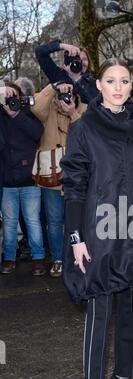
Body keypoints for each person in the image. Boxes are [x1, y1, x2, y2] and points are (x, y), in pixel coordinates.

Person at [60, 58, 133, 379]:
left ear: (132, 85)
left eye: (124, 81)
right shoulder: (85, 129)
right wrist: (74, 239)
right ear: (98, 85)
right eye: (110, 81)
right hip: (98, 237)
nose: (118, 87)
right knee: (99, 320)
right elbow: (74, 186)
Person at [31, 82, 87, 277]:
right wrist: (53, 87)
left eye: (70, 93)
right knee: (54, 222)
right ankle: (58, 259)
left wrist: (73, 111)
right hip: (51, 177)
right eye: (62, 94)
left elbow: (88, 131)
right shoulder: (48, 113)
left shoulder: (83, 110)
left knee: (80, 220)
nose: (65, 97)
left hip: (78, 177)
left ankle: (79, 257)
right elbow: (36, 106)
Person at [0, 83, 45, 275]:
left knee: (32, 221)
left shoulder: (28, 113)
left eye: (13, 96)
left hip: (29, 178)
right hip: (6, 179)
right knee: (9, 222)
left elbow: (37, 133)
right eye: (6, 97)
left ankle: (39, 259)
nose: (10, 101)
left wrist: (16, 115)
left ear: (20, 97)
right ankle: (9, 259)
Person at [35, 40, 98, 104]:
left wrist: (77, 80)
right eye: (77, 59)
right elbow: (39, 52)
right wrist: (62, 46)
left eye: (84, 59)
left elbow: (95, 106)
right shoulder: (57, 75)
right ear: (67, 63)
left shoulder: (94, 83)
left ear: (89, 62)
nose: (81, 63)